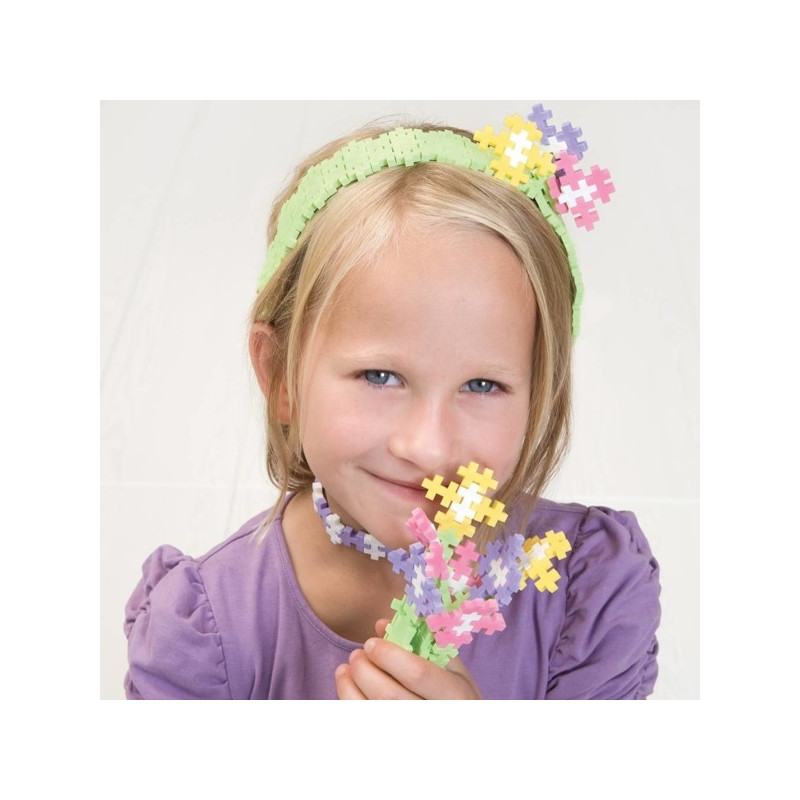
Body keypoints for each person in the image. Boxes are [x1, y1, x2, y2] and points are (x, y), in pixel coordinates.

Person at [124, 107, 661, 699]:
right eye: (380, 376)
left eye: (483, 385)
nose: (428, 447)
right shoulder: (206, 637)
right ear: (281, 377)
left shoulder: (587, 594)